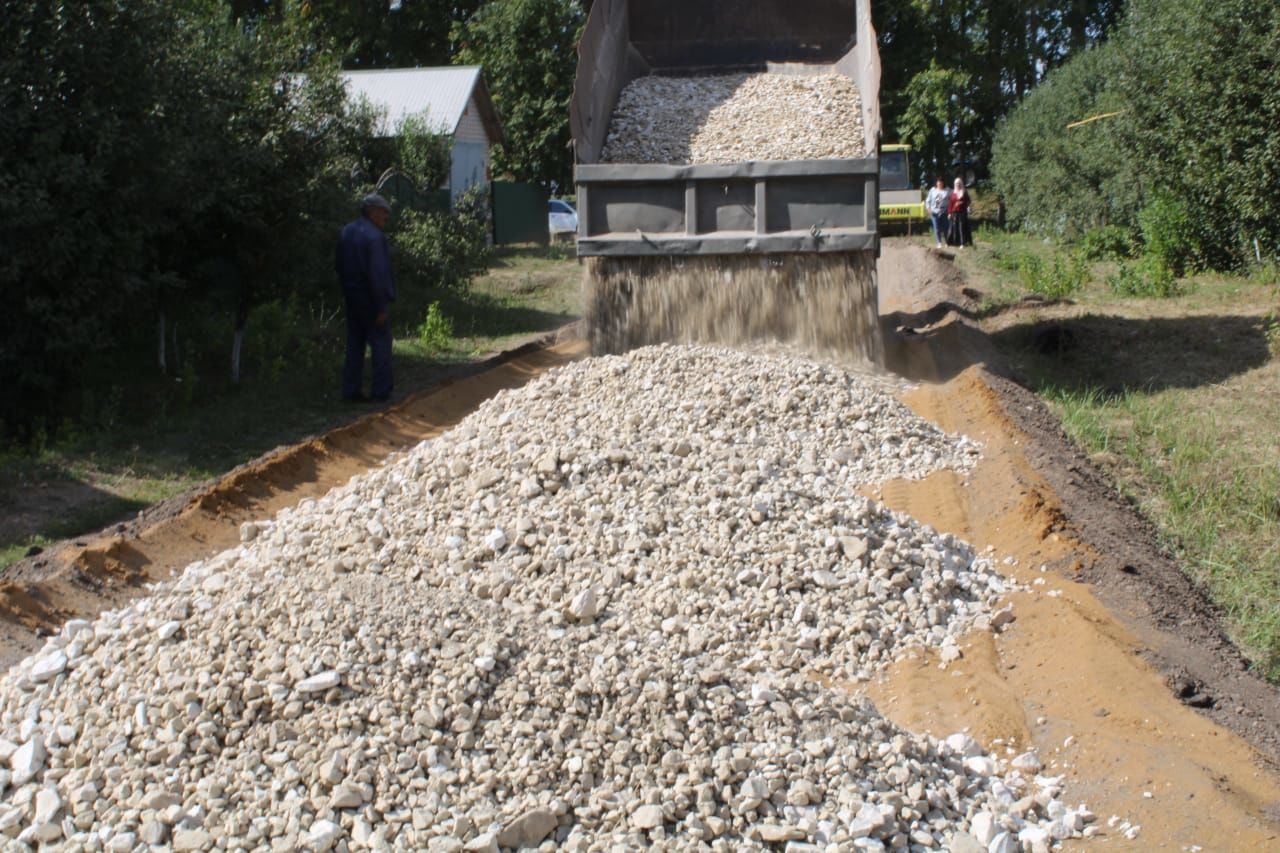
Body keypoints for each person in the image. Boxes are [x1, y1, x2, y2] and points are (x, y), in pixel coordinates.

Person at [336, 194, 397, 402]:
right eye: (383, 213)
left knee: (354, 344)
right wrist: (381, 307)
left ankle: (351, 390)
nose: (385, 218)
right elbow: (377, 274)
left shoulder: (347, 232)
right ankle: (380, 391)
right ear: (372, 212)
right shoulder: (374, 237)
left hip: (352, 297)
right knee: (380, 343)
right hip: (371, 300)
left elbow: (339, 266)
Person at [946, 177, 972, 249]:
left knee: (961, 228)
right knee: (952, 229)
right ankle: (951, 243)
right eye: (956, 183)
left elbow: (969, 201)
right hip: (954, 213)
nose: (958, 184)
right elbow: (950, 204)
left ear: (961, 184)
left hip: (962, 213)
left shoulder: (964, 192)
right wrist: (949, 213)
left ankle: (962, 243)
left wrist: (962, 203)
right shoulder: (952, 193)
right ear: (954, 184)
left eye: (959, 183)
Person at [925, 177, 951, 249]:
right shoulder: (932, 190)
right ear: (936, 183)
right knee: (936, 228)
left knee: (946, 228)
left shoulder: (947, 190)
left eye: (941, 182)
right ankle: (939, 242)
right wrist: (928, 208)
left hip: (944, 212)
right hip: (934, 212)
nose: (939, 183)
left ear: (943, 183)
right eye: (938, 182)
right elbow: (928, 201)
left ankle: (947, 242)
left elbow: (953, 198)